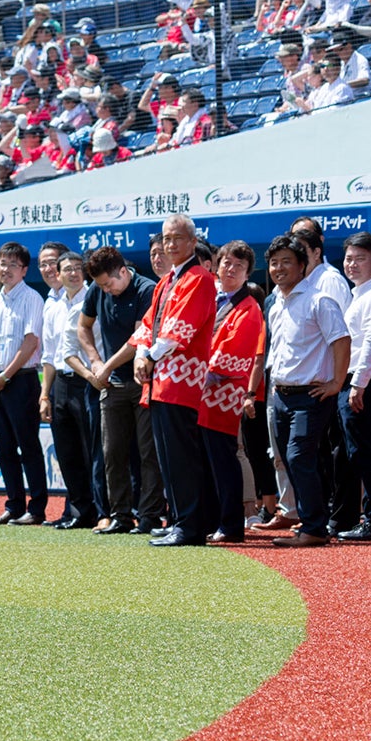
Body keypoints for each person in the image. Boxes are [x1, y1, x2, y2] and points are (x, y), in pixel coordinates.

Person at [132, 215, 217, 547]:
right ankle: (180, 520)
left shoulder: (199, 278)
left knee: (181, 455)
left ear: (192, 242)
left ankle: (191, 525)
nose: (169, 245)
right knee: (167, 456)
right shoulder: (167, 281)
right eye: (166, 239)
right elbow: (148, 323)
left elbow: (180, 328)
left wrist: (148, 355)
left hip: (182, 380)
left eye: (176, 238)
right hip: (160, 381)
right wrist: (141, 353)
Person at [264, 235, 351, 547]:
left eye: (287, 261)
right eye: (274, 263)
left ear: (303, 266)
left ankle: (314, 528)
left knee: (299, 456)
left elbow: (341, 340)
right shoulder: (275, 305)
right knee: (289, 460)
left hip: (311, 396)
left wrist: (337, 382)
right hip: (281, 395)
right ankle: (309, 520)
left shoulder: (319, 300)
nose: (279, 268)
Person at [0, 242, 48, 526]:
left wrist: (5, 375)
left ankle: (37, 508)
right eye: (2, 264)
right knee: (4, 448)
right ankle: (14, 506)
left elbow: (31, 342)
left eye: (12, 265)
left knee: (28, 445)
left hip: (21, 380)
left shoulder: (32, 298)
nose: (5, 270)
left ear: (24, 270)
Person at [200, 241, 266, 543]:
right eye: (227, 262)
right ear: (216, 264)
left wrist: (196, 374)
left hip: (222, 394)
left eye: (239, 266)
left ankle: (230, 524)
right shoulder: (210, 296)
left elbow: (234, 351)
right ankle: (210, 520)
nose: (231, 269)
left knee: (225, 459)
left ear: (247, 273)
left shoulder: (249, 308)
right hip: (200, 394)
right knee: (206, 460)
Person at [45, 251, 97, 529]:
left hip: (87, 380)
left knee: (91, 449)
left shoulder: (93, 298)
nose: (74, 273)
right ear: (58, 273)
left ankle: (97, 511)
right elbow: (50, 354)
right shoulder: (52, 306)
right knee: (66, 451)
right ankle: (76, 510)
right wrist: (45, 394)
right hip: (61, 385)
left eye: (78, 268)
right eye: (68, 269)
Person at [337, 231, 371, 541]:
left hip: (364, 384)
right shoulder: (357, 293)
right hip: (355, 382)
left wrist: (358, 384)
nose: (352, 264)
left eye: (360, 258)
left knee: (365, 452)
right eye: (349, 258)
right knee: (360, 452)